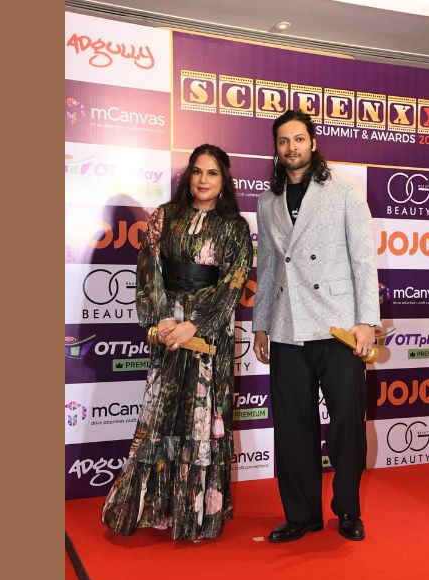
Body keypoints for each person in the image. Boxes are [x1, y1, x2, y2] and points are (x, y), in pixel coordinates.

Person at [101, 144, 253, 542]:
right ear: (188, 176)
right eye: (197, 171)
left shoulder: (234, 227)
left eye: (212, 173)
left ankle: (196, 514)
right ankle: (156, 508)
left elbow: (234, 280)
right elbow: (148, 269)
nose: (203, 179)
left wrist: (195, 325)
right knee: (162, 415)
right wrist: (163, 321)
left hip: (208, 339)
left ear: (224, 181)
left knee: (203, 418)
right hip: (168, 332)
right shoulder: (164, 216)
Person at [252, 110, 379, 543]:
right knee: (292, 427)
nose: (291, 147)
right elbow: (268, 267)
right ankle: (302, 515)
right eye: (283, 141)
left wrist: (367, 321)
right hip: (287, 325)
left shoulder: (343, 188)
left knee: (346, 424)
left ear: (313, 142)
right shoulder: (267, 201)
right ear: (276, 148)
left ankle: (348, 510)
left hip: (338, 325)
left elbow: (363, 258)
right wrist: (261, 325)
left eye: (299, 139)